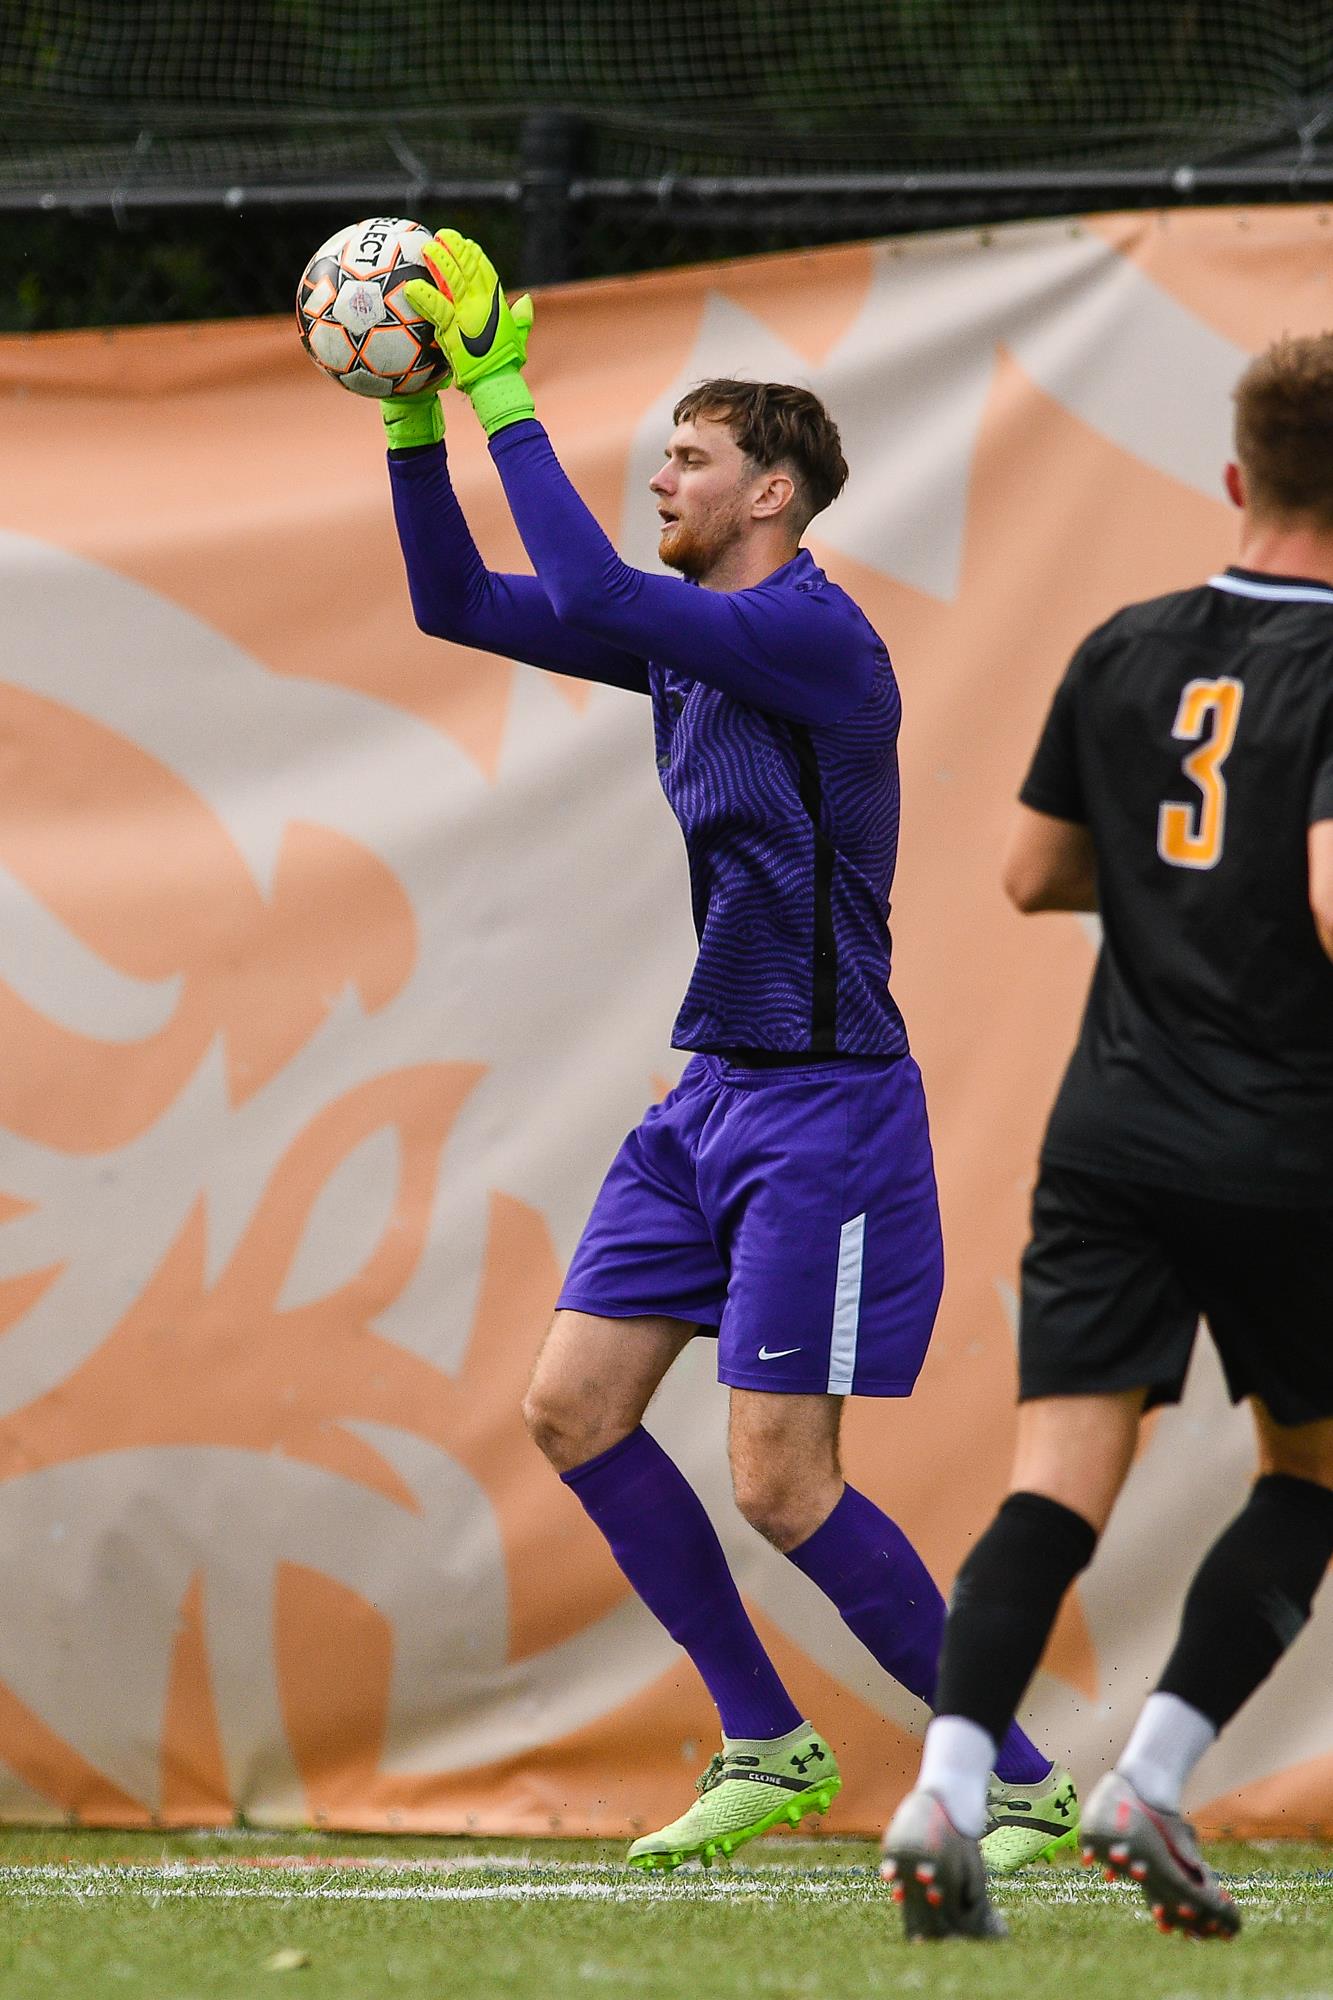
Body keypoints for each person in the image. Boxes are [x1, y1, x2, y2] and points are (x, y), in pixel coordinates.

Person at [379, 229, 1073, 1872]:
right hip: (708, 1097)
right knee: (573, 1409)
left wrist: (502, 393)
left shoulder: (814, 638)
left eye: (686, 460)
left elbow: (596, 593)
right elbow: (452, 601)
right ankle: (766, 1741)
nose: (657, 482)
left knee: (780, 1481)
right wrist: (413, 417)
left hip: (826, 1110)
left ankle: (1021, 1780)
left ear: (772, 494)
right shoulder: (685, 636)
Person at [882, 331, 1333, 1942]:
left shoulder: (1123, 644)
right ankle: (1147, 1775)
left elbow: (1029, 872)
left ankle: (943, 1790)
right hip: (1290, 1146)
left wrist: (1166, 887)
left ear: (1234, 477)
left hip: (1112, 1134)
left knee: (1054, 1485)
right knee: (1311, 1474)